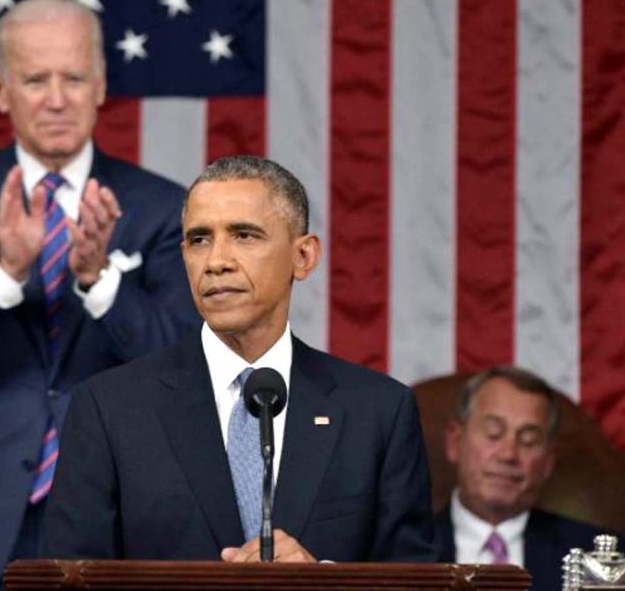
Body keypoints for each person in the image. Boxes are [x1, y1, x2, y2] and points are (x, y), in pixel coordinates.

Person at [0, 0, 199, 591]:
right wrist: (2, 272)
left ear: (101, 84)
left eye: (74, 78)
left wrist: (100, 278)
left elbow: (187, 371)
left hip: (116, 516)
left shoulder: (163, 206)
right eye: (35, 80)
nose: (57, 99)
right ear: (1, 89)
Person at [44, 155, 438, 563]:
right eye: (199, 240)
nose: (216, 262)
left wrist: (323, 582)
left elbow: (413, 577)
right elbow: (69, 576)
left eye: (244, 235)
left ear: (303, 257)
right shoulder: (110, 409)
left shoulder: (378, 412)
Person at [434, 367, 625, 591]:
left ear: (548, 461)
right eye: (493, 433)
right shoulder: (396, 550)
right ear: (455, 442)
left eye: (528, 440)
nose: (508, 454)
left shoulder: (607, 562)